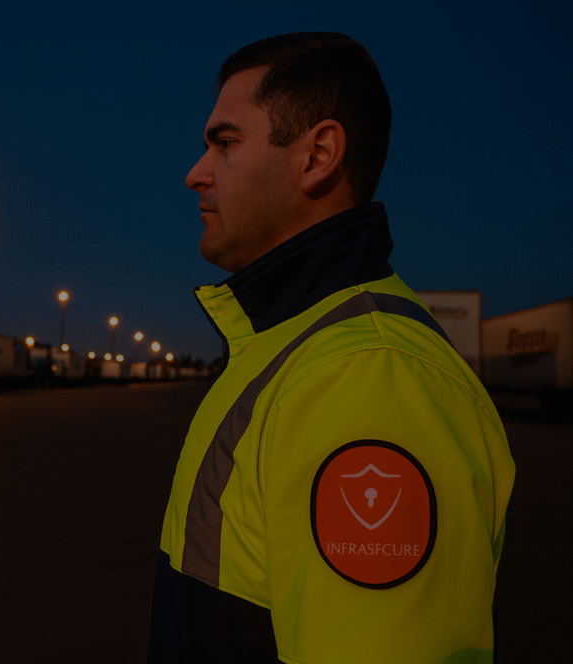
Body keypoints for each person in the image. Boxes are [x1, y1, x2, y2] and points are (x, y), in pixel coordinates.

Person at [147, 32, 515, 664]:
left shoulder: (365, 376)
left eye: (225, 142)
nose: (195, 173)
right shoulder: (291, 343)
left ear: (317, 155)